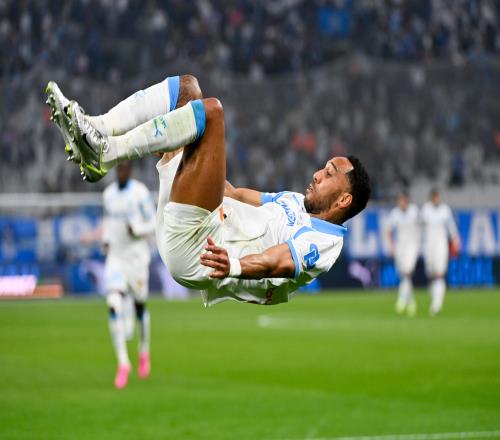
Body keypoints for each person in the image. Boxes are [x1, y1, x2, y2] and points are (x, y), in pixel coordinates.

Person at [45, 74, 371, 307]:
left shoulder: (326, 242)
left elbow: (278, 262)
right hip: (199, 218)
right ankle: (96, 127)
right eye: (323, 168)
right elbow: (235, 194)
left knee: (212, 112)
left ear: (344, 199)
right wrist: (177, 147)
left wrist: (235, 266)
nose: (317, 174)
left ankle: (106, 152)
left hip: (202, 249)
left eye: (329, 174)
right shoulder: (295, 202)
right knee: (187, 90)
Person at [80, 161, 156, 389]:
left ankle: (143, 351)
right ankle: (123, 363)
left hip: (137, 258)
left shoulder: (140, 193)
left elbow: (154, 222)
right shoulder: (109, 194)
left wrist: (138, 230)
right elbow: (107, 222)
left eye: (124, 168)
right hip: (116, 258)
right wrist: (105, 240)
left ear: (130, 170)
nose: (121, 172)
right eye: (118, 169)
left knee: (140, 306)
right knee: (113, 303)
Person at [420, 189, 461, 316]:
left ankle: (437, 304)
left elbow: (452, 228)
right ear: (431, 198)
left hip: (441, 246)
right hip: (428, 246)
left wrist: (456, 242)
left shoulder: (445, 210)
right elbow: (420, 227)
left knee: (439, 274)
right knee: (430, 274)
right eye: (434, 197)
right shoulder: (425, 210)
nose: (436, 199)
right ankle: (435, 300)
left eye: (438, 197)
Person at [385, 192, 420, 316]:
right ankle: (411, 302)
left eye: (404, 201)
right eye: (400, 201)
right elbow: (387, 230)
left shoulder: (414, 211)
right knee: (404, 275)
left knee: (407, 272)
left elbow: (423, 226)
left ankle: (401, 300)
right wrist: (391, 246)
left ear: (407, 201)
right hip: (400, 247)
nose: (402, 203)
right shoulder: (395, 213)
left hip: (412, 246)